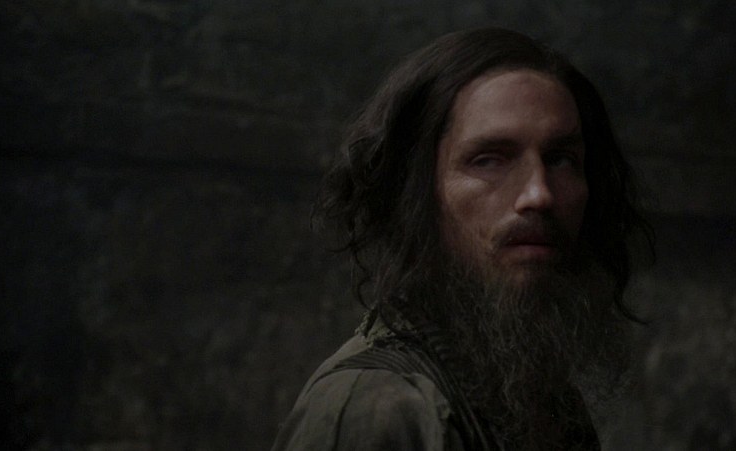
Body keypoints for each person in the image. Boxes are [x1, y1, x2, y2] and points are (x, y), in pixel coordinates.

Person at [272, 27, 653, 451]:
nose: (539, 194)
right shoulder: (376, 408)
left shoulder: (540, 397)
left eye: (561, 159)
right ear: (416, 192)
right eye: (488, 160)